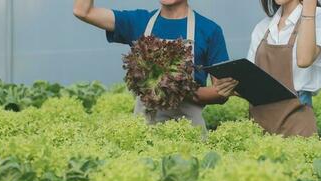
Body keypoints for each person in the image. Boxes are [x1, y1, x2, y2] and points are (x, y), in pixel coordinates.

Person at [73, 0, 232, 131]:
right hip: (144, 132)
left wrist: (177, 89)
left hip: (189, 133)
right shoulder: (139, 22)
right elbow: (82, 11)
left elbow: (220, 92)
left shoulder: (210, 30)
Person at [215, 0, 321, 137]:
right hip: (259, 125)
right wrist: (232, 88)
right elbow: (254, 83)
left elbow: (304, 60)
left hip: (297, 123)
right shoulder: (262, 27)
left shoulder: (320, 17)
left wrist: (309, 6)